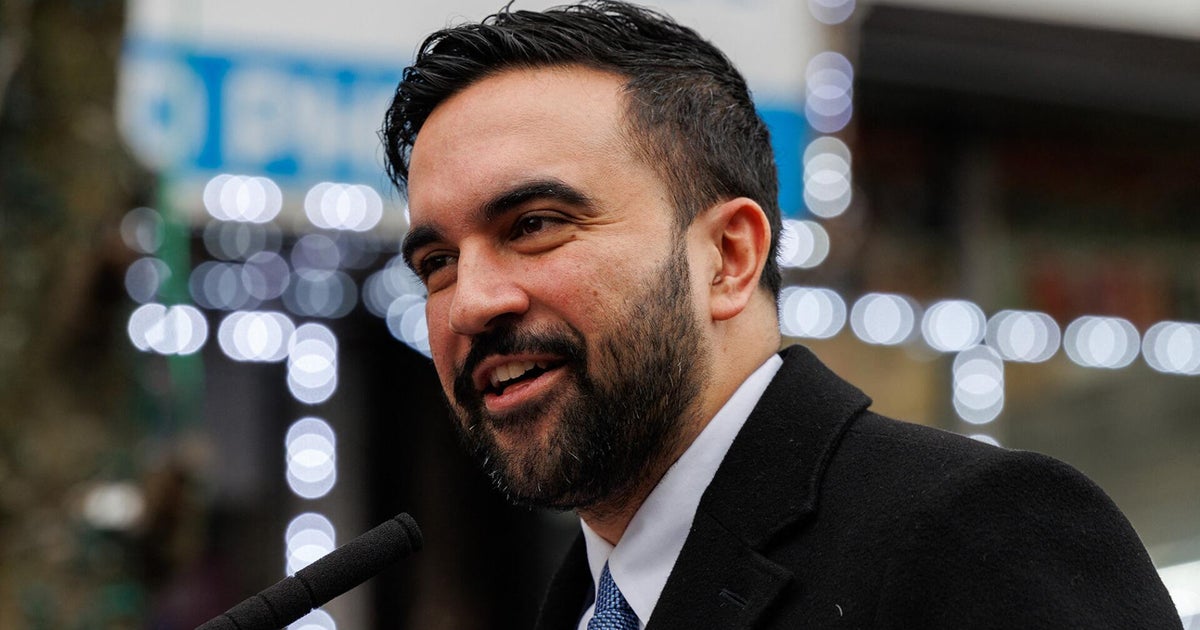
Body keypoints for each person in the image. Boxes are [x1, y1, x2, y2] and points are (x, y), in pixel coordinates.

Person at [381, 2, 1182, 628]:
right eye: (437, 263)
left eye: (534, 225)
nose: (471, 303)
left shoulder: (975, 535)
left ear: (729, 257)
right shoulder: (583, 607)